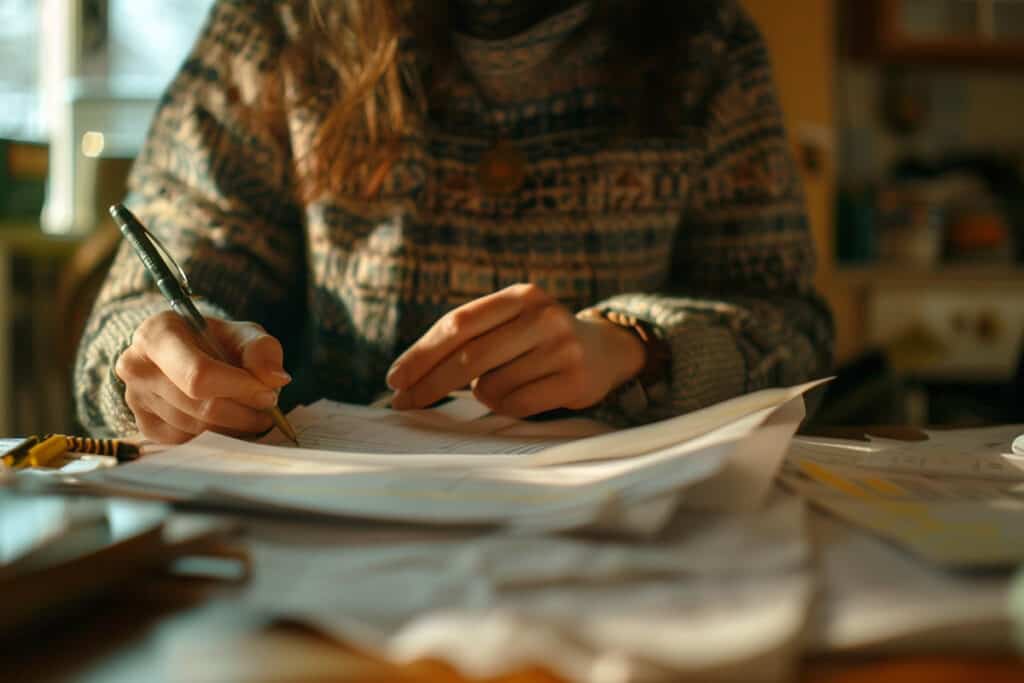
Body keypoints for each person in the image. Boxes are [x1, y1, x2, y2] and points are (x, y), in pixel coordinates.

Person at [75, 0, 834, 443]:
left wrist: (640, 349)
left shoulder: (706, 42)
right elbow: (135, 313)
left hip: (625, 538)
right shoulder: (277, 28)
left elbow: (796, 339)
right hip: (322, 537)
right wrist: (163, 368)